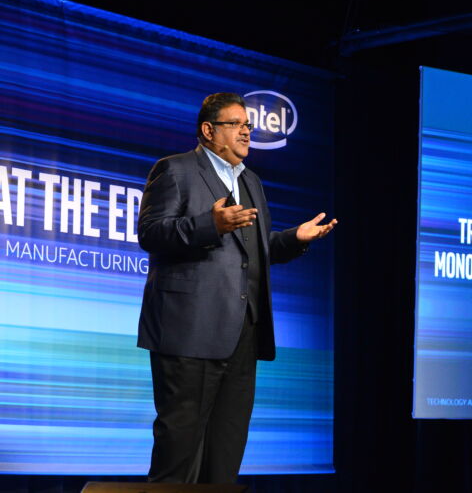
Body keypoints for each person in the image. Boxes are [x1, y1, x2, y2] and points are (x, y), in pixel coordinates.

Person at [136, 92, 336, 484]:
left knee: (226, 454)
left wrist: (295, 238)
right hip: (189, 332)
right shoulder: (175, 170)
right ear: (209, 131)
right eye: (236, 124)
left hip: (243, 332)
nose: (246, 131)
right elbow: (150, 234)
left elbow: (255, 253)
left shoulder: (252, 182)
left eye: (249, 125)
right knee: (179, 450)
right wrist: (210, 225)